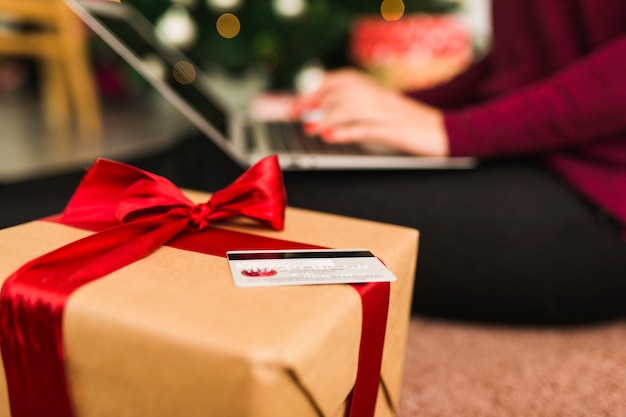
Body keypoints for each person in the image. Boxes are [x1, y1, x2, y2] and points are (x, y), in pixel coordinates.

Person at [281, 0, 626, 324]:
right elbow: (524, 64)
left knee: (275, 195)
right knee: (273, 179)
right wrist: (394, 109)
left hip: (604, 193)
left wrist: (454, 131)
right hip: (537, 155)